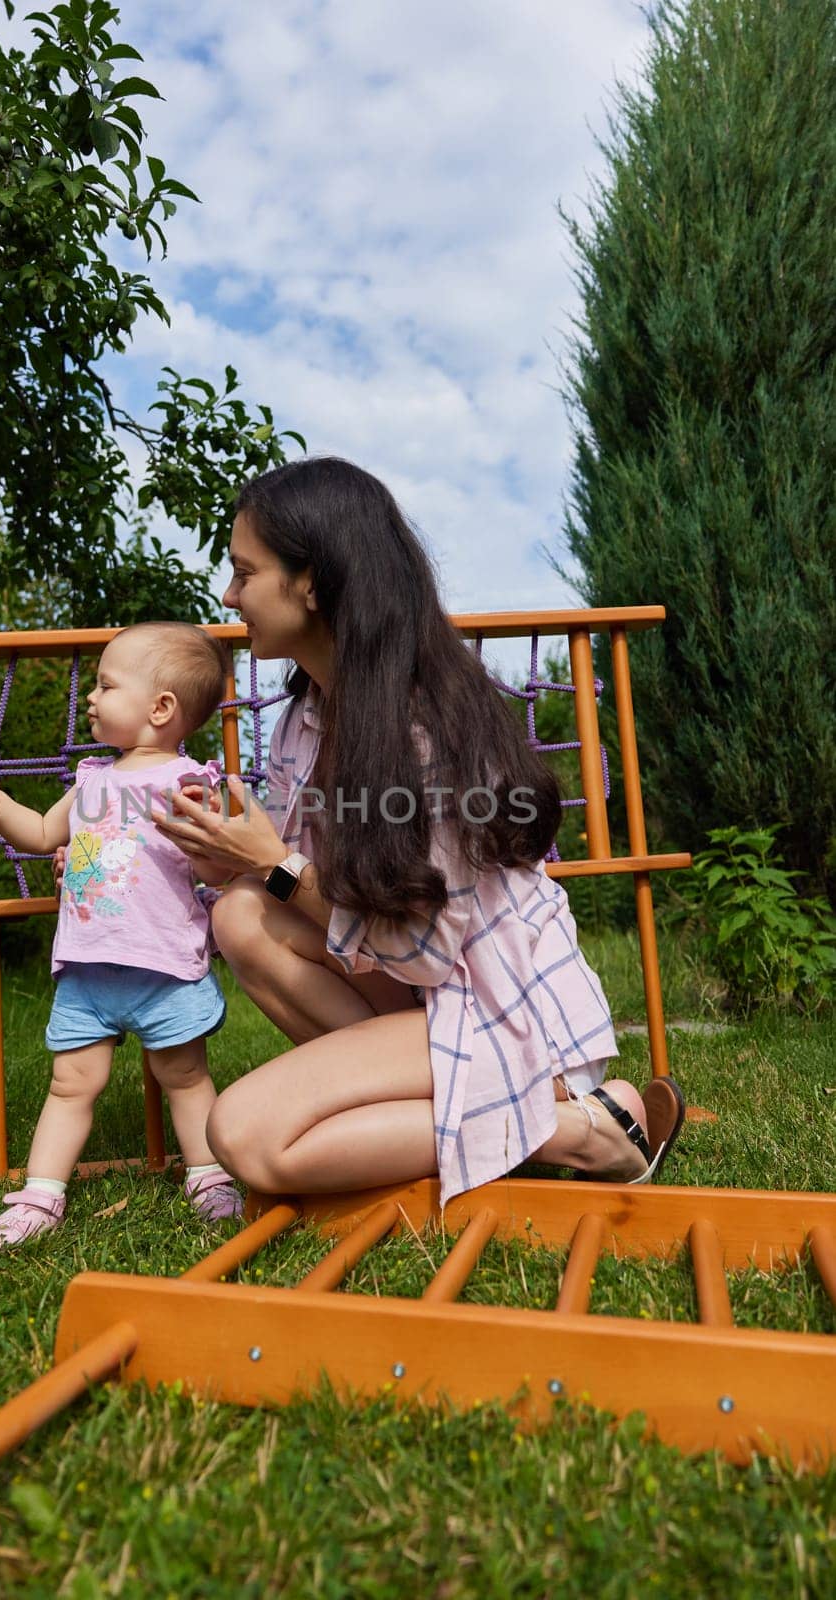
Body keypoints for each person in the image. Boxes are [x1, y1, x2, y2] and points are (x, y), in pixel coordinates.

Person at [149, 457, 686, 1208]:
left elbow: (424, 952)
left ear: (310, 581)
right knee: (240, 913)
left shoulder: (425, 729)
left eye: (244, 572)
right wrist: (231, 861)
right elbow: (315, 890)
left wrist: (273, 866)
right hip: (426, 999)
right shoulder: (304, 719)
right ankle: (475, 1120)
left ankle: (577, 1129)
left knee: (245, 1136)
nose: (229, 595)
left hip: (499, 1012)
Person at [0, 622, 242, 1249]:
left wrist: (208, 830)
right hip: (88, 970)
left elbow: (217, 869)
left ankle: (209, 1176)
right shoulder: (91, 780)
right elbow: (38, 835)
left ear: (160, 708)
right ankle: (40, 1195)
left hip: (164, 965)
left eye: (106, 685)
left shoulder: (187, 782)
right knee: (70, 1083)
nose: (91, 697)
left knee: (185, 1076)